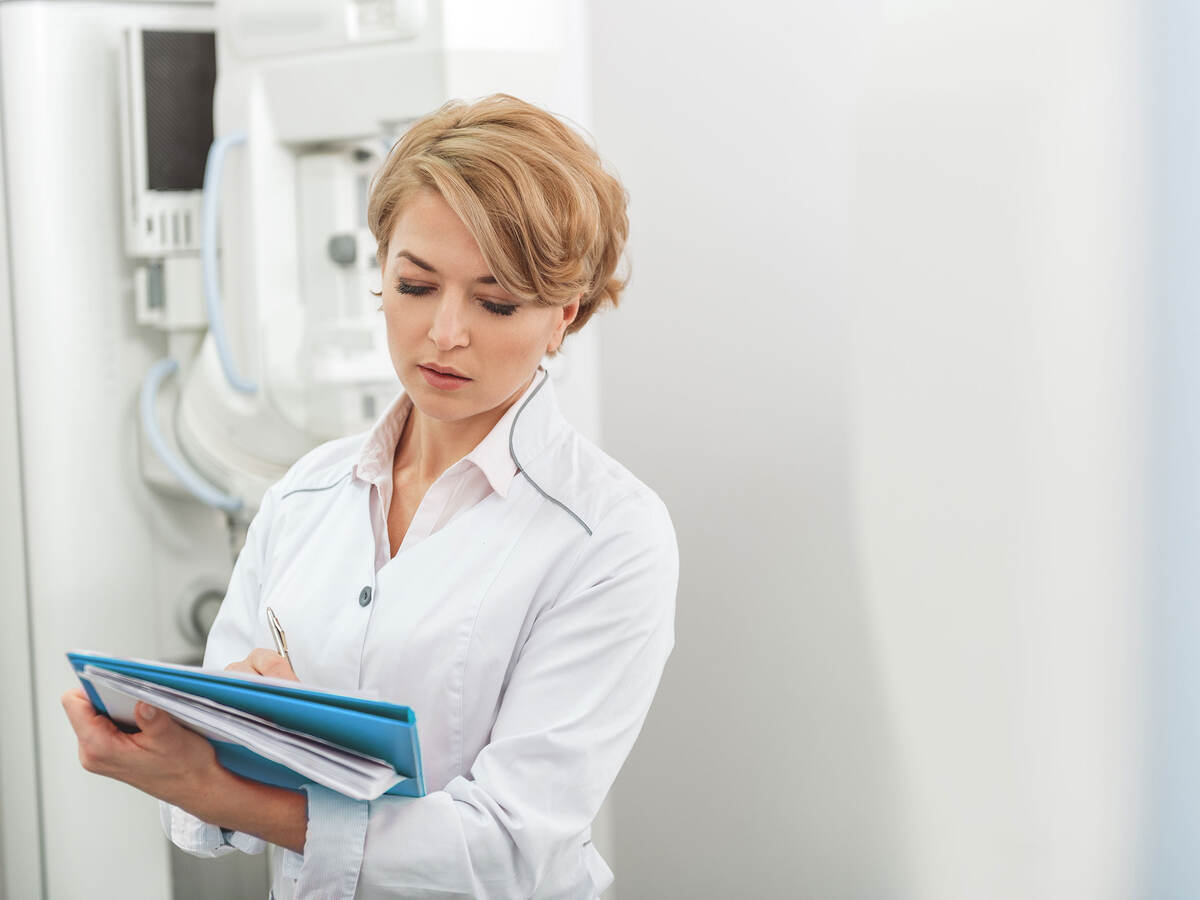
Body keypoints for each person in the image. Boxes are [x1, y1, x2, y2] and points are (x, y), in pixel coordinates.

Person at [61, 93, 678, 899]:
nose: (445, 332)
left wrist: (226, 789)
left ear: (563, 313)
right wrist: (224, 739)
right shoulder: (305, 495)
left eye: (495, 303)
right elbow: (207, 806)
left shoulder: (609, 536)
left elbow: (508, 848)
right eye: (416, 285)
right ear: (380, 271)